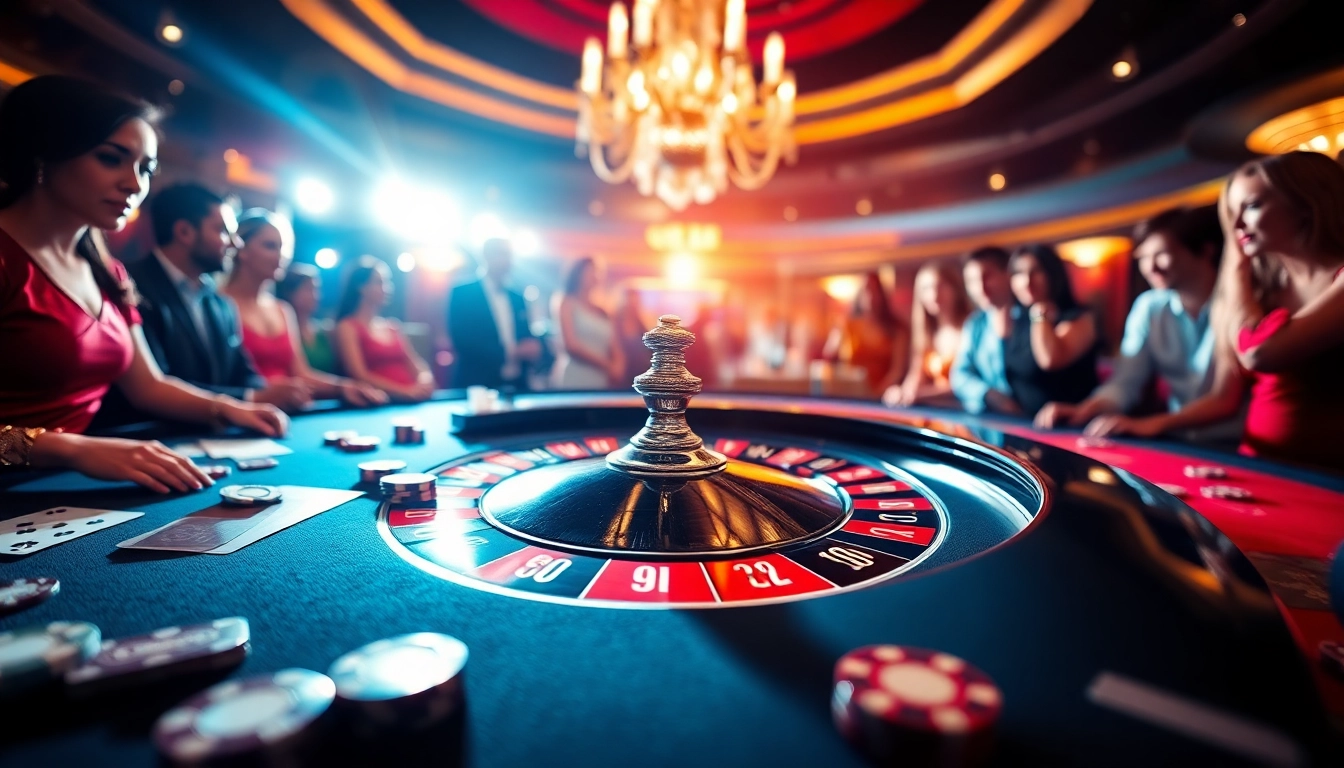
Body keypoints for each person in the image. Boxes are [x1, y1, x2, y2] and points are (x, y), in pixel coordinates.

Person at [0, 75, 284, 492]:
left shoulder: (108, 272)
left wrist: (228, 408)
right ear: (47, 152)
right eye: (111, 158)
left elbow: (148, 386)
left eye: (145, 169)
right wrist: (73, 449)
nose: (134, 184)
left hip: (66, 481)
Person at [1102, 152, 1344, 471]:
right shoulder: (1262, 291)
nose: (1237, 225)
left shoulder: (1255, 288)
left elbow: (1259, 353)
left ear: (1305, 202)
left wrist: (1236, 261)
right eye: (1232, 212)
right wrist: (1154, 424)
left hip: (1330, 472)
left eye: (1252, 206)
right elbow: (1223, 396)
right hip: (1257, 462)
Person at [1036, 207, 1229, 436]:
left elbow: (1226, 398)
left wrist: (1154, 423)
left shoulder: (1236, 304)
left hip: (1237, 441)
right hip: (1181, 439)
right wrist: (1083, 410)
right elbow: (1126, 382)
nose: (1150, 267)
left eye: (1161, 254)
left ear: (1206, 251)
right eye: (1143, 258)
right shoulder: (1149, 307)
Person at [121, 183, 311, 414]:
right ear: (184, 232)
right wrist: (251, 397)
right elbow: (158, 384)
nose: (235, 243)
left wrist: (275, 392)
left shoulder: (220, 302)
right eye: (222, 231)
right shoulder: (131, 286)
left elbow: (242, 373)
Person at [222, 209, 387, 408]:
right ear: (241, 248)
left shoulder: (283, 309)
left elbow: (300, 374)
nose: (280, 256)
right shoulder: (218, 303)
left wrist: (343, 387)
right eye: (270, 246)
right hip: (244, 411)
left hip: (291, 412)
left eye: (282, 248)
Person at [999, 244, 1099, 419]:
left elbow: (1049, 360)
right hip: (1027, 424)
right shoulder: (1018, 319)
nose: (1027, 281)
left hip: (1071, 423)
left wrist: (1040, 314)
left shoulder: (1079, 317)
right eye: (1019, 273)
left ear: (1054, 275)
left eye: (1036, 271)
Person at [334, 256, 435, 402]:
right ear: (361, 287)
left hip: (414, 399)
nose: (387, 288)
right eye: (380, 282)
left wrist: (425, 379)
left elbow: (416, 364)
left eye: (387, 282)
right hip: (383, 402)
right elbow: (359, 374)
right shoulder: (347, 326)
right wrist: (404, 392)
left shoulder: (393, 326)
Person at [448, 238, 543, 390]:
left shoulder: (517, 297)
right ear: (486, 256)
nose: (507, 260)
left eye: (509, 255)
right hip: (477, 382)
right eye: (501, 254)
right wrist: (512, 352)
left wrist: (533, 347)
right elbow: (462, 340)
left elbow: (525, 334)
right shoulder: (463, 293)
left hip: (517, 384)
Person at [885, 262, 970, 408]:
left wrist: (919, 395)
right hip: (936, 413)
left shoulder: (971, 328)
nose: (934, 295)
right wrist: (900, 392)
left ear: (956, 289)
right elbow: (915, 380)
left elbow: (966, 384)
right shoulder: (927, 334)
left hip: (964, 412)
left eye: (941, 286)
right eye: (926, 289)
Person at [950, 247, 1019, 414]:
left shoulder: (1030, 317)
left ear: (1008, 274)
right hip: (992, 417)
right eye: (972, 281)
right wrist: (988, 393)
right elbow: (959, 375)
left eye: (987, 276)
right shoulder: (975, 324)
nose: (980, 287)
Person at [822, 272, 908, 396]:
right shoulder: (847, 325)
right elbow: (829, 357)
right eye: (866, 291)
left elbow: (897, 372)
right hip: (849, 394)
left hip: (883, 396)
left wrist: (876, 394)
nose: (871, 297)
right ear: (859, 295)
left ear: (881, 295)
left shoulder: (897, 329)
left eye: (874, 291)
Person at [552, 257, 622, 389]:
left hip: (600, 378)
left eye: (596, 271)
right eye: (589, 271)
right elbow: (571, 345)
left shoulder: (603, 311)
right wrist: (606, 365)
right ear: (578, 274)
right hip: (576, 375)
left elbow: (614, 346)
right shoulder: (567, 302)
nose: (593, 275)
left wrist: (618, 366)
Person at [275, 264, 338, 374]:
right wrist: (340, 383)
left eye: (316, 290)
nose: (315, 296)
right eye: (308, 289)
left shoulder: (324, 331)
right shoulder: (281, 327)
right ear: (289, 292)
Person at [614, 286, 652, 382]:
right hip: (625, 372)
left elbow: (649, 346)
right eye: (630, 299)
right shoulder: (616, 323)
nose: (633, 303)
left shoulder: (639, 323)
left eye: (636, 299)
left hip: (642, 371)